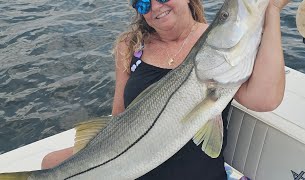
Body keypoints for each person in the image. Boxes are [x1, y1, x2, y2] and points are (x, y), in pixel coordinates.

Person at [42, 0, 289, 179]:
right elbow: (119, 115)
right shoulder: (130, 46)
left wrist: (274, 11)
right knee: (48, 163)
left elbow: (264, 99)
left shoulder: (221, 58)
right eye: (142, 4)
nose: (155, 7)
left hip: (199, 175)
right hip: (130, 169)